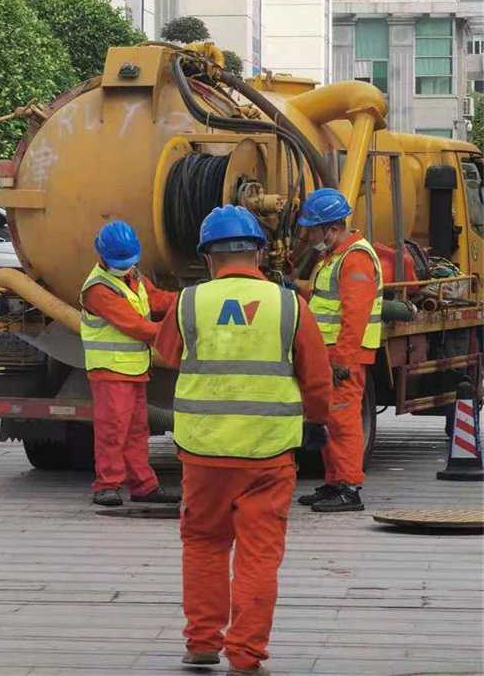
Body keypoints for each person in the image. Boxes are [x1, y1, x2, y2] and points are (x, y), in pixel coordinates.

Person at [155, 205, 331, 676]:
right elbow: (317, 379)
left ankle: (201, 643)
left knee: (204, 544)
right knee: (259, 555)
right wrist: (315, 424)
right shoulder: (290, 304)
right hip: (268, 455)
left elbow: (166, 355)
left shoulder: (188, 302)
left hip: (204, 452)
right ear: (257, 252)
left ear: (208, 258)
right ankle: (246, 657)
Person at [80, 221, 180, 507]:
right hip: (111, 371)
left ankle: (144, 486)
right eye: (120, 262)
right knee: (113, 429)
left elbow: (158, 299)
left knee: (137, 430)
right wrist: (181, 330)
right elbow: (137, 327)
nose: (125, 266)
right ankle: (106, 486)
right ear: (102, 256)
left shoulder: (132, 275)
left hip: (134, 369)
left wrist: (192, 299)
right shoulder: (98, 290)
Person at [296, 188, 383, 512]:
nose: (310, 235)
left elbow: (354, 314)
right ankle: (333, 483)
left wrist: (342, 361)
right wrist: (298, 289)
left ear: (330, 229)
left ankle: (348, 488)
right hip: (328, 355)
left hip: (343, 357)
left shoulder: (355, 258)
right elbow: (325, 302)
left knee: (343, 422)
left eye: (313, 229)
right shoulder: (335, 257)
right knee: (327, 419)